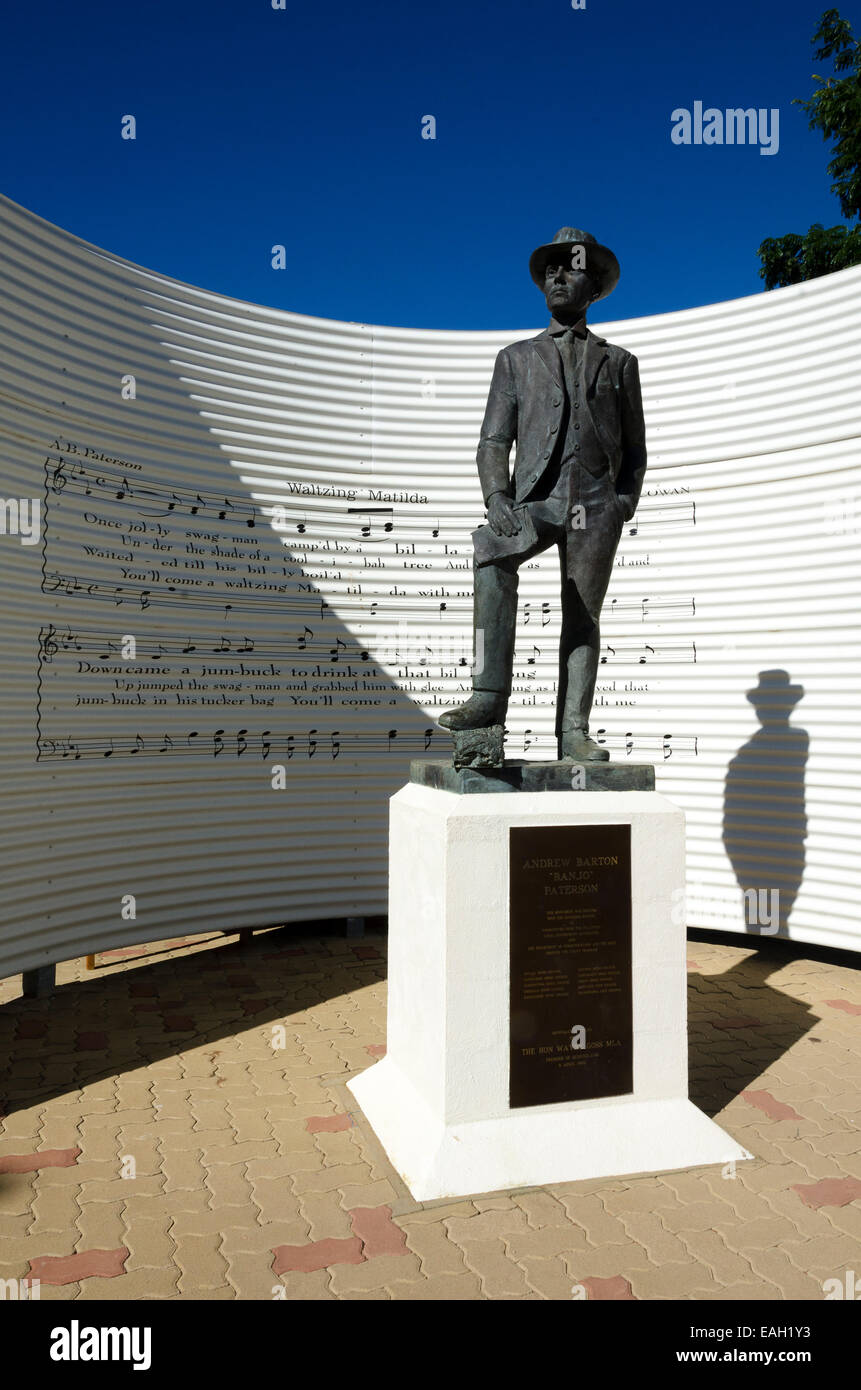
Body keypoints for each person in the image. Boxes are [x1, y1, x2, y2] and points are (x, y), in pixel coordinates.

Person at [438, 227, 647, 761]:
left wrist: (625, 501)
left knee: (583, 616)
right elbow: (492, 440)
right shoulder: (515, 357)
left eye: (571, 266)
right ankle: (488, 699)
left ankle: (573, 732)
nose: (557, 274)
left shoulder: (620, 362)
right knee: (491, 551)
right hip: (538, 499)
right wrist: (497, 498)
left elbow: (637, 447)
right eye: (551, 268)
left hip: (598, 504)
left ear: (595, 284)